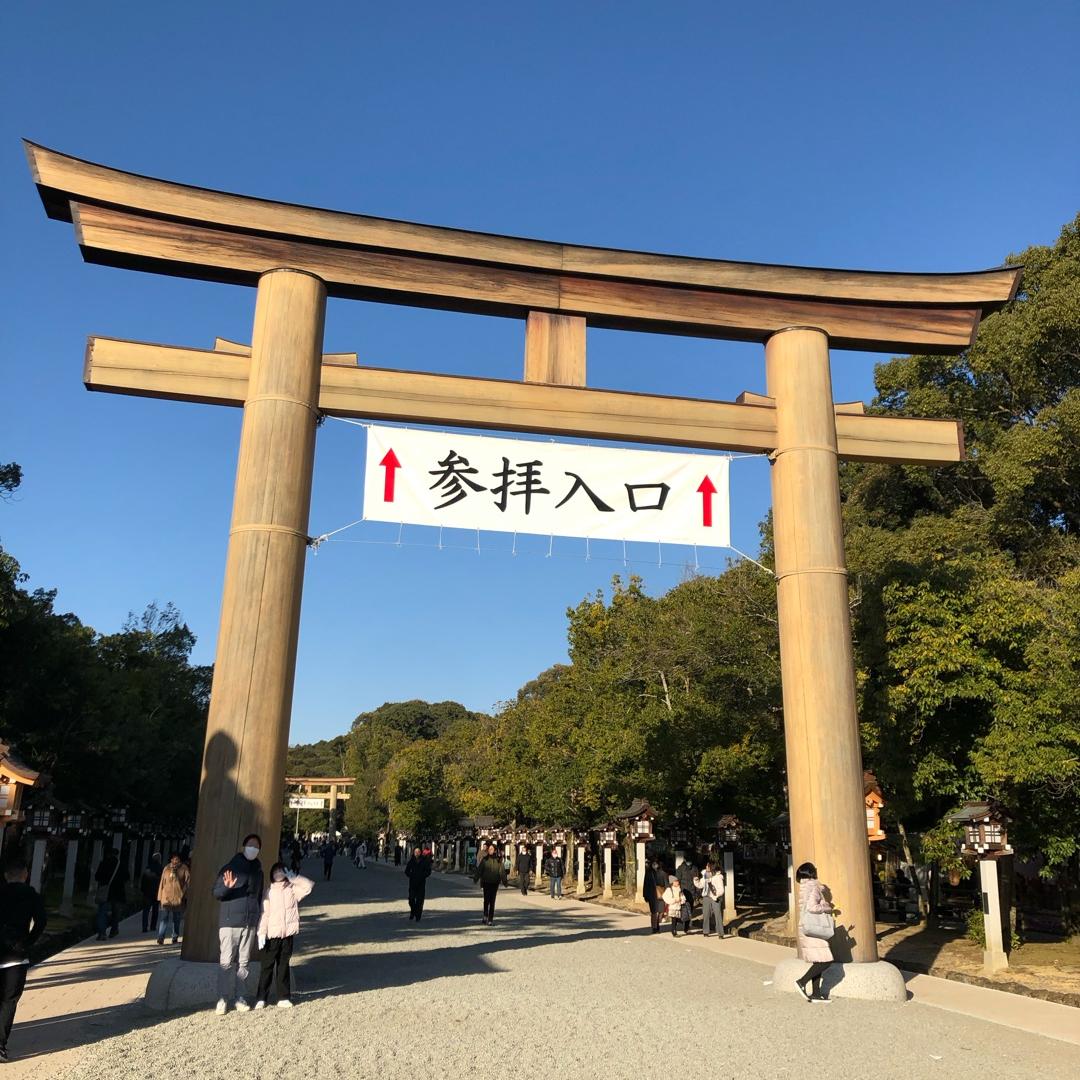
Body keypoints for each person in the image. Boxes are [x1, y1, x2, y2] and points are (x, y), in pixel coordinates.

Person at [0, 854, 47, 1064]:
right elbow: (41, 922)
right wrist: (28, 941)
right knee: (9, 1000)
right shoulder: (31, 895)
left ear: (5, 875)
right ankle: (0, 1045)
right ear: (25, 875)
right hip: (16, 956)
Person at [212, 832, 264, 1014]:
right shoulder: (229, 868)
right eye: (250, 845)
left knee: (244, 962)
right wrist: (227, 887)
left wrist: (258, 918)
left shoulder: (258, 871)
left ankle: (240, 996)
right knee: (226, 961)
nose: (253, 848)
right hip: (229, 921)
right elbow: (216, 893)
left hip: (249, 922)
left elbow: (258, 896)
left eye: (256, 846)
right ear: (243, 846)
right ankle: (222, 998)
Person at [255, 862, 313, 1009]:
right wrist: (261, 932)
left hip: (287, 934)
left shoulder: (292, 890)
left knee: (283, 966)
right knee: (267, 967)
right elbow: (264, 914)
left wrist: (294, 878)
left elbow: (308, 887)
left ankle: (283, 997)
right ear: (272, 874)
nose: (278, 874)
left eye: (281, 871)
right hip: (272, 935)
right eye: (276, 871)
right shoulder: (269, 891)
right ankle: (261, 997)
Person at [794, 862, 835, 1002]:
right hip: (815, 928)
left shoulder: (803, 888)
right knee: (826, 961)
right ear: (812, 872)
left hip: (807, 926)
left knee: (819, 960)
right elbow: (812, 907)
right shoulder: (814, 887)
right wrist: (827, 907)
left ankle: (816, 994)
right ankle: (802, 982)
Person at [156, 851, 190, 945]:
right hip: (166, 897)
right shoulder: (166, 868)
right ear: (171, 859)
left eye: (177, 859)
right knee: (164, 918)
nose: (175, 860)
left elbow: (188, 882)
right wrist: (160, 896)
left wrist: (183, 893)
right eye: (173, 859)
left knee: (176, 919)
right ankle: (160, 937)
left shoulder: (184, 868)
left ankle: (175, 937)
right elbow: (162, 882)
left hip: (178, 898)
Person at [93, 846, 125, 940]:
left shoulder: (103, 863)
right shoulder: (120, 864)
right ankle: (113, 930)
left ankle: (102, 933)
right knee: (116, 912)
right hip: (117, 892)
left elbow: (97, 876)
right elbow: (126, 876)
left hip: (105, 892)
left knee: (102, 912)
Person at [694, 861, 726, 938]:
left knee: (718, 915)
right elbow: (701, 885)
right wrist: (696, 881)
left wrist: (716, 896)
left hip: (715, 897)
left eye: (708, 866)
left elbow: (721, 890)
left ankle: (720, 933)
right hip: (706, 896)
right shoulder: (705, 875)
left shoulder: (718, 877)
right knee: (706, 914)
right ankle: (705, 931)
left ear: (711, 867)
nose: (706, 867)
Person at [474, 843, 503, 925]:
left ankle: (490, 919)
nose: (490, 850)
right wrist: (476, 878)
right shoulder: (485, 859)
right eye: (489, 849)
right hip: (486, 882)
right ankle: (485, 916)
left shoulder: (498, 860)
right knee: (486, 901)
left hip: (494, 883)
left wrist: (504, 881)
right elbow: (480, 870)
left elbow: (502, 871)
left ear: (495, 850)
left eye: (492, 849)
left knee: (492, 901)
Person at [404, 846, 432, 921]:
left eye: (418, 852)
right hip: (412, 883)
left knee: (420, 901)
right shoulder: (411, 861)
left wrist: (423, 876)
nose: (417, 853)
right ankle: (413, 911)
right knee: (411, 899)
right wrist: (411, 875)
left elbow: (428, 871)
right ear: (413, 852)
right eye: (415, 852)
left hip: (421, 884)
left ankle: (418, 916)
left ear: (421, 852)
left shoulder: (424, 861)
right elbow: (406, 871)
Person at [139, 852, 162, 934]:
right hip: (157, 892)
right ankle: (153, 926)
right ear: (159, 859)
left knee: (146, 910)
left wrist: (143, 890)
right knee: (155, 910)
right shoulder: (161, 869)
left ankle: (144, 927)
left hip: (147, 892)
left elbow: (143, 880)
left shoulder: (147, 868)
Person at [643, 858, 665, 933]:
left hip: (661, 894)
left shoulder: (661, 872)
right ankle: (655, 927)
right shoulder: (648, 873)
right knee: (654, 912)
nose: (655, 865)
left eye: (656, 863)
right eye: (654, 864)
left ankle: (657, 924)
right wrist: (645, 895)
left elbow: (665, 883)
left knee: (660, 911)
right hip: (651, 895)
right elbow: (645, 884)